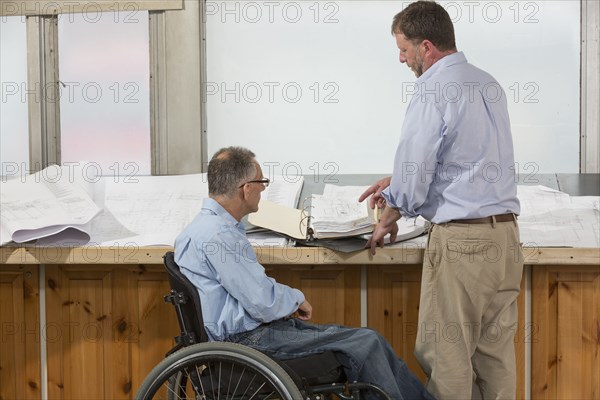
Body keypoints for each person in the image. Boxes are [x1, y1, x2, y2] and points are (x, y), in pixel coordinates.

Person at [175, 146, 434, 400]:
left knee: (369, 340)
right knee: (366, 344)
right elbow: (262, 302)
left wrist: (287, 298)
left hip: (247, 334)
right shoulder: (220, 235)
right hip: (249, 340)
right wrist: (296, 298)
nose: (263, 189)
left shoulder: (200, 229)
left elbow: (253, 292)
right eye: (262, 182)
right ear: (246, 189)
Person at [359, 1, 524, 399]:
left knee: (447, 357)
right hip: (505, 240)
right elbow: (468, 161)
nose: (401, 58)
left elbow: (417, 169)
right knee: (495, 361)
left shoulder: (432, 88)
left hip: (462, 245)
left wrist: (389, 214)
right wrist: (399, 179)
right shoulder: (487, 83)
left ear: (427, 46)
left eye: (404, 49)